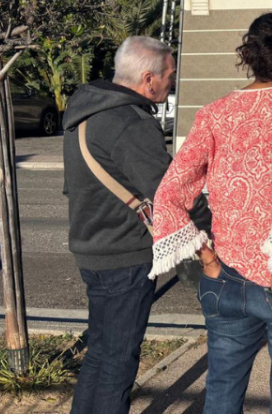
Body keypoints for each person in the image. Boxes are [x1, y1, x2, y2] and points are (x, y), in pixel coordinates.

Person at [149, 12, 272, 414]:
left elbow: (169, 193)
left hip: (225, 274)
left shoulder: (214, 113)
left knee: (222, 392)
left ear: (247, 55)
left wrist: (208, 259)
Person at [62, 36, 176, 414]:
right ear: (148, 78)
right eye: (169, 75)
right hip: (125, 255)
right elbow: (167, 193)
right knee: (118, 361)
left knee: (101, 354)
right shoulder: (130, 122)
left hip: (91, 248)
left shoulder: (86, 113)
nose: (171, 83)